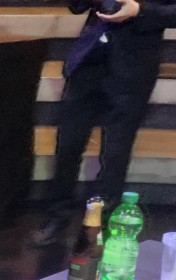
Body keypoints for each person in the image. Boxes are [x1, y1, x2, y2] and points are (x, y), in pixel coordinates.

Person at [30, 0, 176, 246]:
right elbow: (76, 6)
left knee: (116, 152)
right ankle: (56, 217)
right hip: (89, 61)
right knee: (68, 143)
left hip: (134, 67)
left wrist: (138, 11)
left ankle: (103, 224)